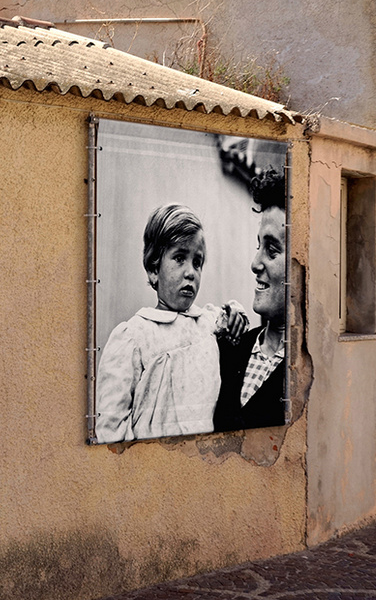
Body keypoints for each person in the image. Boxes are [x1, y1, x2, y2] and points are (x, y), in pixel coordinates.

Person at [95, 204, 246, 443]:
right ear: (154, 269)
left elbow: (235, 326)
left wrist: (236, 316)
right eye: (179, 258)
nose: (191, 273)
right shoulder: (134, 337)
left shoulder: (208, 324)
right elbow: (111, 425)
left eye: (197, 262)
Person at [214, 169, 288, 432]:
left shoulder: (312, 369)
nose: (255, 263)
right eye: (258, 246)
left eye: (272, 250)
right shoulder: (232, 349)